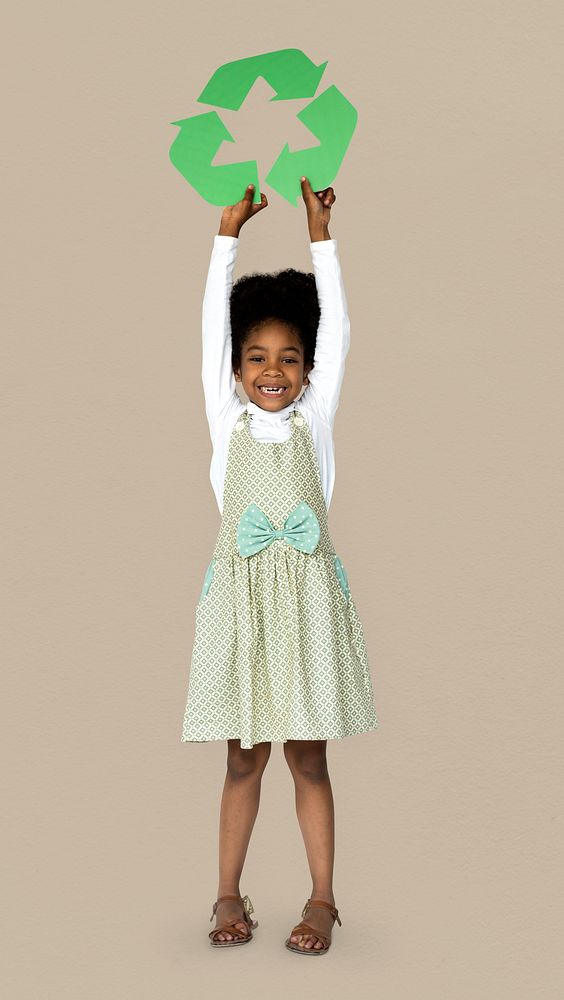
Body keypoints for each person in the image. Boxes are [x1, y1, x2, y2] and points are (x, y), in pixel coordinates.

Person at [181, 177, 379, 954]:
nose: (273, 370)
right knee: (241, 757)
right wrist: (224, 237)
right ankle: (228, 896)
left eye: (289, 358)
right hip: (242, 604)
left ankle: (323, 900)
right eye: (257, 358)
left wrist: (320, 237)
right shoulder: (224, 417)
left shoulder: (315, 418)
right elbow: (207, 331)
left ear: (307, 367)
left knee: (307, 754)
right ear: (235, 370)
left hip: (305, 601)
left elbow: (341, 334)